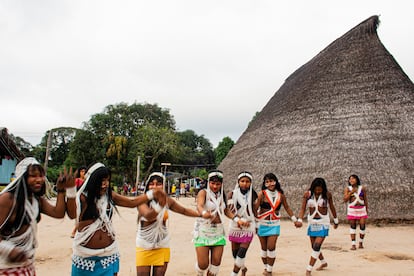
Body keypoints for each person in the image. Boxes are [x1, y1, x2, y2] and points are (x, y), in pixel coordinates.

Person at [71, 163, 167, 276]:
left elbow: (132, 203)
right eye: (101, 180)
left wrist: (152, 194)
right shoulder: (81, 198)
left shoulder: (109, 195)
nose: (104, 184)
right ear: (92, 180)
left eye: (107, 180)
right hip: (85, 257)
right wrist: (66, 191)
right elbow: (71, 213)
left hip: (109, 255)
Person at [0, 157, 76, 275]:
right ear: (22, 178)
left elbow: (58, 213)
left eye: (41, 176)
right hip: (5, 268)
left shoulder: (36, 200)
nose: (39, 180)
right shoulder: (8, 199)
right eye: (33, 176)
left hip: (26, 266)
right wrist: (9, 250)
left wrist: (65, 190)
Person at [136, 172, 202, 276]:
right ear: (148, 185)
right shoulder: (141, 201)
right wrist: (160, 205)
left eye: (158, 184)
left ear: (163, 185)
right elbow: (149, 215)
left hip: (162, 244)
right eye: (152, 184)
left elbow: (184, 210)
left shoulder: (167, 201)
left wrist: (201, 214)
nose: (155, 186)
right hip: (144, 245)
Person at [193, 170, 238, 276]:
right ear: (208, 182)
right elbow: (199, 205)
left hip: (218, 231)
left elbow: (226, 210)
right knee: (203, 264)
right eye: (212, 183)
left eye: (218, 184)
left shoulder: (222, 194)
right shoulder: (203, 193)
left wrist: (236, 219)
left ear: (221, 184)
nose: (215, 186)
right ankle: (199, 273)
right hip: (204, 230)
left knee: (216, 264)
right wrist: (204, 213)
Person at [256, 173, 299, 276]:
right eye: (267, 182)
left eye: (271, 181)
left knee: (271, 247)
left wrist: (294, 220)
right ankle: (266, 267)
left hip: (274, 224)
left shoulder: (281, 195)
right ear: (265, 183)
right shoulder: (261, 194)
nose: (270, 183)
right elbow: (254, 208)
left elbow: (287, 207)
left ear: (275, 182)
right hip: (262, 224)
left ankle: (269, 271)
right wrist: (253, 223)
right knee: (264, 248)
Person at [296, 177, 339, 276]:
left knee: (317, 245)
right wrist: (300, 219)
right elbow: (303, 208)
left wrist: (336, 220)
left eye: (320, 188)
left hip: (323, 222)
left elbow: (332, 207)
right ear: (313, 187)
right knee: (313, 246)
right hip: (312, 222)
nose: (318, 190)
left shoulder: (327, 195)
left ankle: (308, 269)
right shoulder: (307, 195)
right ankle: (324, 262)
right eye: (317, 188)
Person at [227, 171, 258, 276]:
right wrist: (239, 220)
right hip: (235, 226)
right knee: (235, 254)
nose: (245, 183)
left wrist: (256, 224)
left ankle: (233, 274)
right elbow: (230, 210)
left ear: (251, 183)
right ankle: (243, 268)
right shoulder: (232, 194)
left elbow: (255, 211)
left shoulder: (253, 195)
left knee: (242, 252)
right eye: (242, 181)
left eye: (247, 181)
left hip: (249, 226)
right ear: (238, 182)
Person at [343, 174, 368, 250]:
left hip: (361, 209)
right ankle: (353, 244)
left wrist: (366, 209)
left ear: (357, 180)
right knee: (353, 226)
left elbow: (365, 199)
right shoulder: (348, 189)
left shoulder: (362, 188)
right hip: (352, 209)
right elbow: (345, 199)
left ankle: (361, 243)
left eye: (353, 179)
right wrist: (351, 193)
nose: (351, 180)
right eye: (350, 179)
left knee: (362, 225)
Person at [71, 166, 87, 238]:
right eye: (82, 171)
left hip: (86, 200)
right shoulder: (77, 180)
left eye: (84, 171)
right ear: (79, 172)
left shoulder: (88, 180)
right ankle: (74, 230)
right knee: (79, 215)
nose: (83, 173)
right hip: (79, 199)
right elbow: (75, 190)